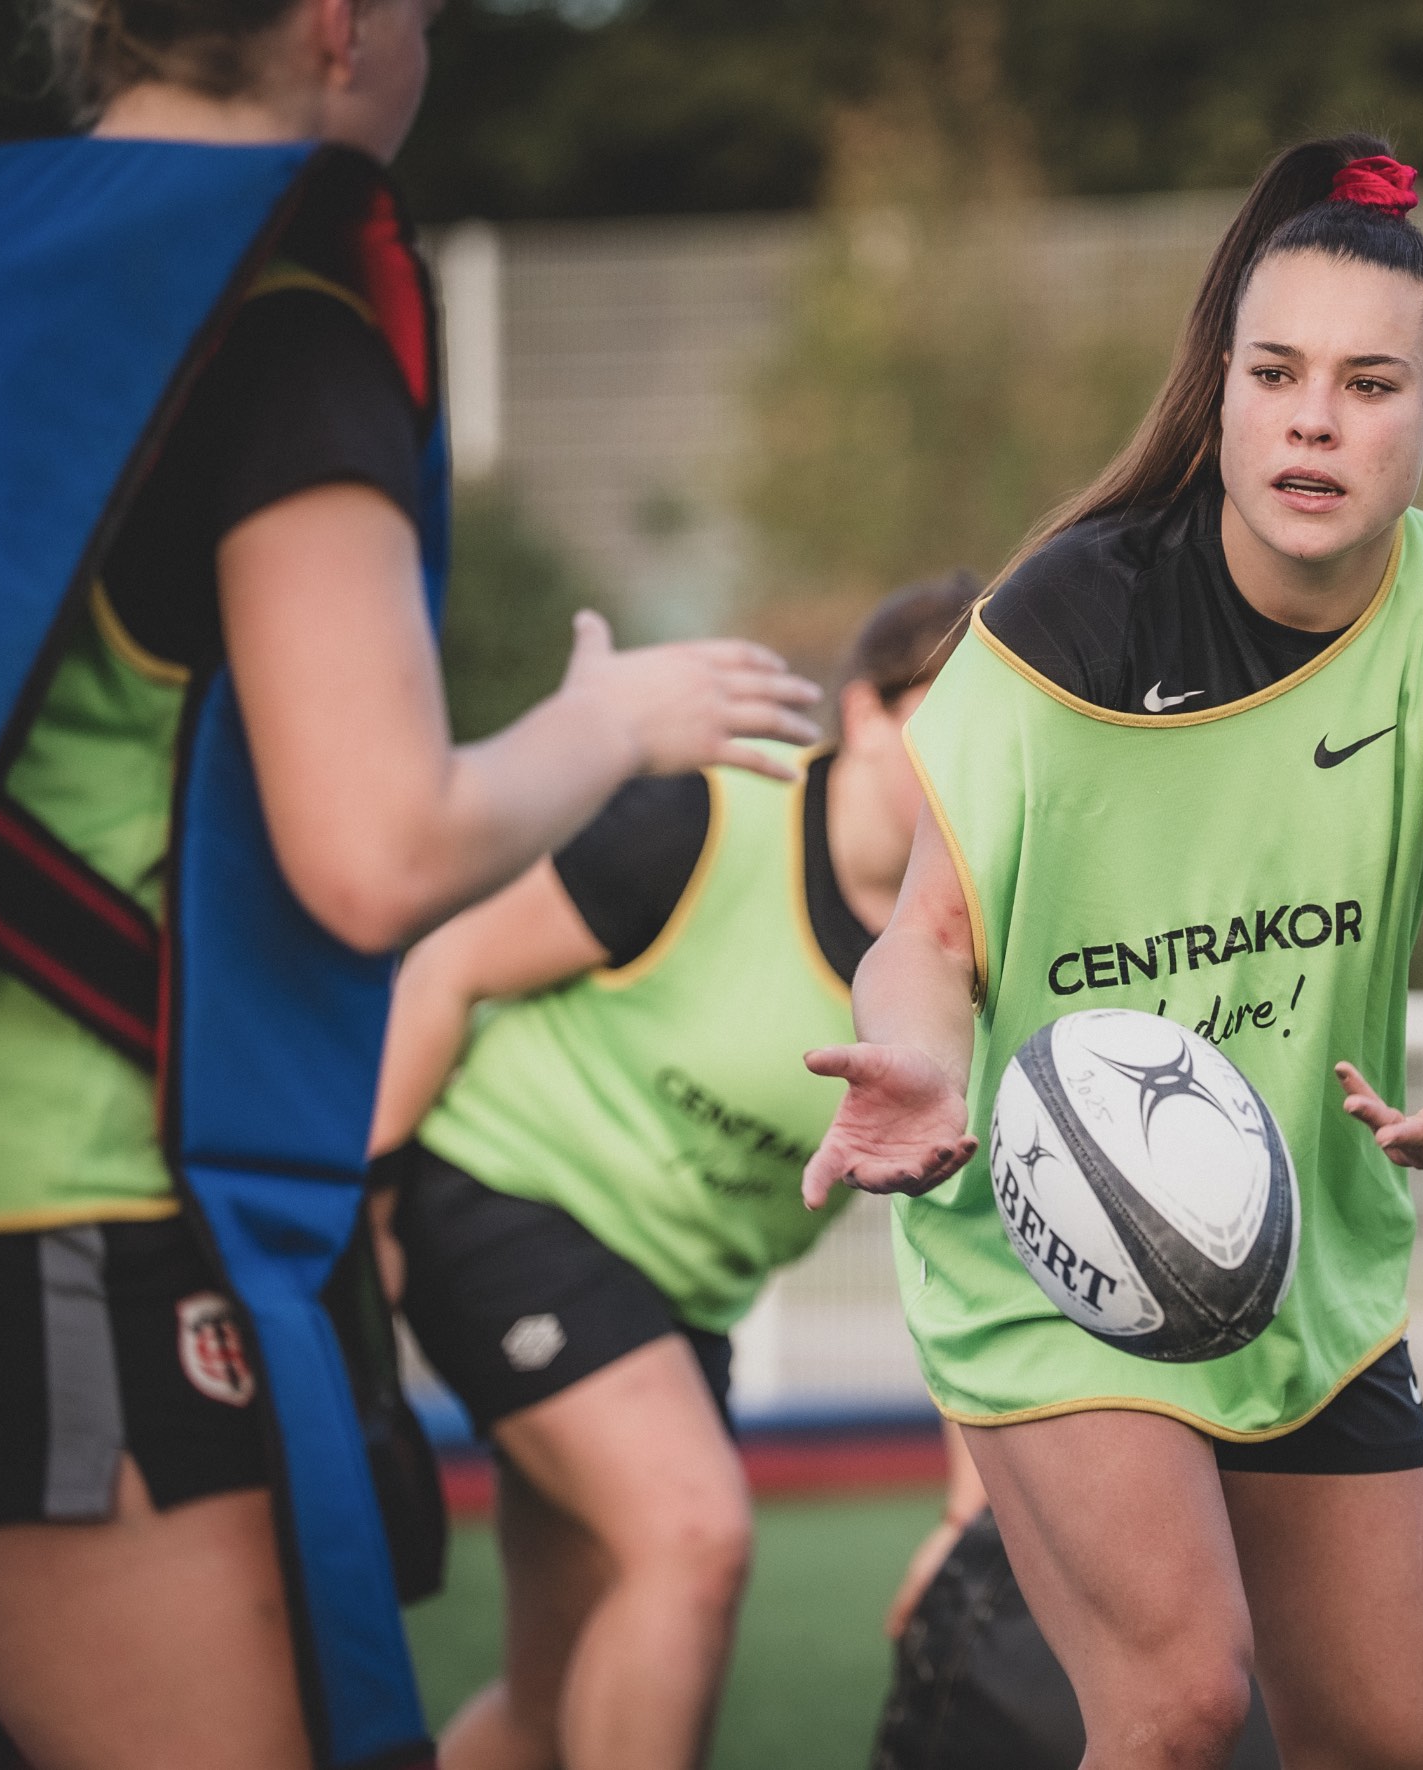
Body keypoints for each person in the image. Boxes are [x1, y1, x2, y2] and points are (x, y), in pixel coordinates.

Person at [0, 3, 823, 1766]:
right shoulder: (277, 317)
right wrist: (608, 723)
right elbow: (380, 855)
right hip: (64, 1220)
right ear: (341, 27)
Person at [802, 138, 1423, 1770]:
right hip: (1047, 1235)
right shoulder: (1074, 610)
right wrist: (920, 1062)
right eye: (1276, 373)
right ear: (1225, 393)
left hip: (1302, 1267)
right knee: (1175, 1705)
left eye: (1370, 383)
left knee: (1394, 1746)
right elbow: (928, 940)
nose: (1314, 416)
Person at [371, 573, 987, 1770]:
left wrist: (968, 1510)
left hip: (673, 1304)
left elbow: (973, 1242)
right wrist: (369, 1217)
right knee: (694, 1536)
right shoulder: (707, 822)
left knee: (557, 1708)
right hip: (502, 1199)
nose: (979, 757)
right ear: (864, 713)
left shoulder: (972, 952)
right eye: (949, 712)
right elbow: (443, 966)